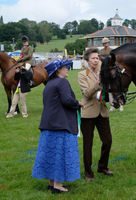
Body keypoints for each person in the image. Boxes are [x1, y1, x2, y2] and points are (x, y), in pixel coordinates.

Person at [31, 58, 83, 194]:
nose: (67, 69)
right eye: (65, 67)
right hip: (61, 125)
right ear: (58, 70)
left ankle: (52, 183)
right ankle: (58, 185)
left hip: (49, 125)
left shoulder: (50, 84)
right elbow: (67, 100)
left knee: (51, 155)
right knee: (60, 155)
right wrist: (78, 103)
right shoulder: (62, 82)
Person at [78, 48, 113, 181]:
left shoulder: (102, 72)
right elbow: (87, 93)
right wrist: (98, 82)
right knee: (88, 143)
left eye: (97, 58)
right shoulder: (82, 74)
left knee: (108, 140)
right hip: (88, 113)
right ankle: (88, 171)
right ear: (87, 61)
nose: (96, 60)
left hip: (102, 111)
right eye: (93, 58)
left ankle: (102, 166)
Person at [99, 37, 124, 112]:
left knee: (117, 88)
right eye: (104, 43)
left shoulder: (112, 50)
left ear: (108, 43)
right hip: (105, 71)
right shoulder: (101, 51)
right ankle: (112, 105)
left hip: (112, 70)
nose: (105, 44)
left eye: (106, 43)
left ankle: (121, 105)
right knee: (109, 89)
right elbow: (100, 58)